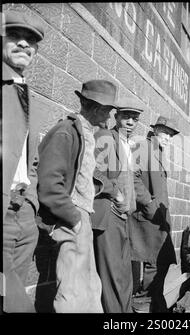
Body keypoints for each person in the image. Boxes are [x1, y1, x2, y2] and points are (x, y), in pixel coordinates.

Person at [37, 80, 117, 313]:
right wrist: (73, 217)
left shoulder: (85, 132)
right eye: (108, 110)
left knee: (90, 288)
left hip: (81, 216)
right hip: (72, 217)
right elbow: (49, 182)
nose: (110, 117)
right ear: (94, 107)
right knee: (73, 291)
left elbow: (79, 175)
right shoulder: (67, 131)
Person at [2, 10, 44, 313]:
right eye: (14, 36)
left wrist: (30, 201)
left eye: (30, 40)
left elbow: (31, 159)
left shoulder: (25, 91)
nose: (23, 44)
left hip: (23, 213)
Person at [92, 97, 144, 313]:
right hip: (108, 215)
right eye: (126, 117)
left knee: (124, 274)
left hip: (124, 218)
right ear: (116, 117)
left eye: (135, 118)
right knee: (113, 275)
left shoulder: (128, 144)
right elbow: (94, 172)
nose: (131, 122)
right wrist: (117, 196)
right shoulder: (107, 138)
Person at [129, 116, 179, 313]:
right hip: (147, 217)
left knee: (162, 261)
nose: (168, 138)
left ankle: (154, 304)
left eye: (171, 135)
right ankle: (146, 304)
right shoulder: (144, 146)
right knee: (155, 262)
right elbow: (132, 177)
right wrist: (149, 203)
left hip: (159, 218)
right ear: (155, 130)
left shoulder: (157, 150)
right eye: (165, 133)